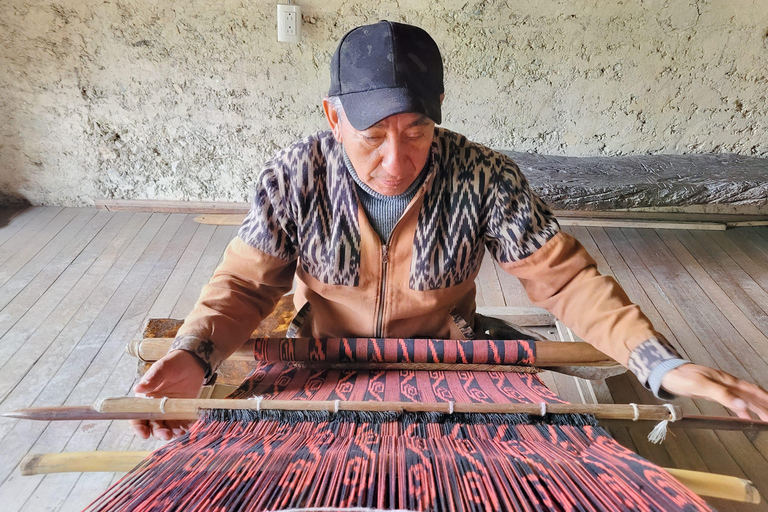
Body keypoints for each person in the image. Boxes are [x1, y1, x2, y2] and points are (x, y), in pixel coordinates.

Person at [132, 20, 768, 440]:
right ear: (334, 116)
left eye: (416, 133)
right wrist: (196, 354)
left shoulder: (482, 175)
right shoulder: (296, 174)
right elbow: (245, 286)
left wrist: (659, 362)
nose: (396, 161)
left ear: (438, 117)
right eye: (373, 136)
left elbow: (566, 281)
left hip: (452, 359)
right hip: (322, 360)